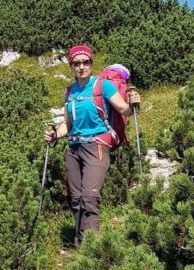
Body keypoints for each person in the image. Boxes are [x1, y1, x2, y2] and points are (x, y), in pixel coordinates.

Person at [44, 45, 140, 244]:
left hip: (96, 146)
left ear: (91, 64)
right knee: (76, 199)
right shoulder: (69, 91)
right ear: (71, 66)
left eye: (85, 62)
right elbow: (67, 125)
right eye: (76, 63)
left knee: (89, 197)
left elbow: (124, 110)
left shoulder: (102, 86)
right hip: (73, 149)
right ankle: (80, 244)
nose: (81, 67)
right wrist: (55, 135)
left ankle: (91, 249)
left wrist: (134, 104)